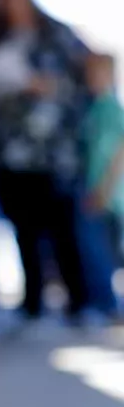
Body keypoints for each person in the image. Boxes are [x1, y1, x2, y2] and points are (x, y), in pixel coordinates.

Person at [0, 0, 93, 323]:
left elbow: (85, 82)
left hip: (54, 150)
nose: (8, 1)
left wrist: (46, 86)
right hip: (9, 150)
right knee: (24, 227)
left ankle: (79, 301)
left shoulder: (56, 34)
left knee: (64, 227)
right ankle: (33, 302)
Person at [83, 52, 124, 300]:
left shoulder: (112, 109)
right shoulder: (92, 108)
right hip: (93, 189)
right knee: (96, 249)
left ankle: (109, 301)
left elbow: (120, 151)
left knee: (107, 251)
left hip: (110, 195)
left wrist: (106, 188)